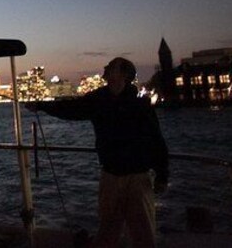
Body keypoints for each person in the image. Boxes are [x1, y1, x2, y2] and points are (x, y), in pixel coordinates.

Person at [28, 57, 169, 248]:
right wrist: (42, 106)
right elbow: (71, 108)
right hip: (110, 175)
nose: (106, 68)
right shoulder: (98, 100)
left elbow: (155, 141)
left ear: (124, 75)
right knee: (107, 230)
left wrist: (162, 174)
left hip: (138, 177)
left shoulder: (140, 105)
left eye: (112, 67)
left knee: (143, 233)